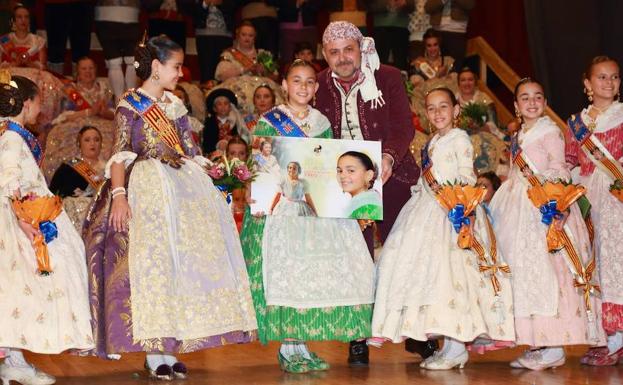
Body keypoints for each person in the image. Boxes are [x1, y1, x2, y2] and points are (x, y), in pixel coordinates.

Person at [82, 35, 257, 380]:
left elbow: (189, 151)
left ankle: (169, 345)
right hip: (145, 190)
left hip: (178, 189)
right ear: (157, 67)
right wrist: (118, 195)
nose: (181, 72)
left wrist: (216, 169)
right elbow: (120, 152)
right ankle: (153, 351)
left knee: (178, 267)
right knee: (153, 269)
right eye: (176, 66)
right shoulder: (129, 103)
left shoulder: (175, 104)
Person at [240, 59, 375, 373]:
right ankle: (289, 347)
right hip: (282, 212)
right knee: (286, 272)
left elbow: (328, 165)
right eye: (296, 81)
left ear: (316, 88)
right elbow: (260, 163)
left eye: (309, 82)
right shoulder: (269, 121)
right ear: (284, 85)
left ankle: (301, 344)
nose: (302, 87)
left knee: (307, 274)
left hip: (311, 210)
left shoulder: (322, 121)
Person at [315, 20, 436, 365]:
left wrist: (388, 157)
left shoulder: (387, 77)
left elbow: (402, 127)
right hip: (346, 185)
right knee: (355, 259)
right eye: (334, 53)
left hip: (392, 176)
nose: (342, 58)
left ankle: (415, 332)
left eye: (348, 50)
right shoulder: (320, 85)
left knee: (405, 253)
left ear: (360, 47)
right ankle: (357, 336)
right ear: (326, 55)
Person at [372, 87, 515, 370]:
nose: (437, 113)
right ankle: (450, 344)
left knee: (453, 276)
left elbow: (465, 176)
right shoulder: (432, 142)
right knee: (433, 276)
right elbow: (428, 180)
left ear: (456, 110)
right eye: (432, 108)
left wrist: (463, 211)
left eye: (443, 107)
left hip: (452, 212)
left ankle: (457, 346)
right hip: (427, 209)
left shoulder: (459, 139)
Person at [489, 78, 605, 370]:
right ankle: (537, 341)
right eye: (525, 98)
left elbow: (559, 168)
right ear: (515, 106)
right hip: (516, 207)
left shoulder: (550, 131)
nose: (531, 102)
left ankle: (554, 345)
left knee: (549, 272)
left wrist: (551, 200)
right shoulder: (518, 136)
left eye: (538, 97)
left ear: (544, 102)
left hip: (544, 206)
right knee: (523, 272)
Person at [0, 73, 93, 385]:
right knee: (25, 288)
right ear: (26, 104)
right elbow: (11, 181)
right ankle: (14, 361)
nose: (40, 110)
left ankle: (14, 359)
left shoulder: (15, 136)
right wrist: (26, 222)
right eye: (38, 103)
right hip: (20, 223)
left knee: (20, 291)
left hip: (26, 217)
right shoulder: (12, 139)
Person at [565, 56, 623, 366]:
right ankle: (604, 336)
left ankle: (618, 339)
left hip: (617, 198)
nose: (609, 83)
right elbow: (570, 162)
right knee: (593, 264)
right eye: (601, 77)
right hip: (587, 199)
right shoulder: (576, 123)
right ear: (588, 84)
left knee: (617, 263)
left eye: (614, 77)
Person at [48, 125, 105, 232]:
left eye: (96, 140)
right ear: (79, 143)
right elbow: (54, 193)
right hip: (72, 219)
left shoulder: (108, 168)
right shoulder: (68, 167)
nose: (92, 144)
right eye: (87, 140)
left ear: (101, 144)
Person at [94, 0, 141, 101]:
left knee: (123, 61)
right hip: (111, 17)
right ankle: (124, 101)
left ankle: (123, 100)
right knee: (123, 62)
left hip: (123, 17)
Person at [44, 0, 94, 74]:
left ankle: (81, 83)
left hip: (83, 5)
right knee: (55, 53)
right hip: (55, 4)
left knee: (81, 52)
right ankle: (55, 82)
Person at [192, 0, 237, 82]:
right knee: (206, 71)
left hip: (225, 36)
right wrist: (205, 3)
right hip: (204, 36)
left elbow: (235, 5)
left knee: (224, 69)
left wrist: (222, 3)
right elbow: (190, 8)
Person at [424, 0, 475, 70]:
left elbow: (470, 4)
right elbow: (428, 8)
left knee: (456, 67)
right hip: (437, 31)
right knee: (437, 67)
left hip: (457, 31)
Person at [369, 0, 414, 70]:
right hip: (380, 27)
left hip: (401, 26)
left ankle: (401, 79)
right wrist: (387, 3)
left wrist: (405, 3)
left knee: (401, 62)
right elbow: (370, 5)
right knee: (379, 62)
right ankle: (379, 80)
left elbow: (412, 6)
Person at [337, 151, 383, 219]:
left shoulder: (368, 206)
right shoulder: (358, 202)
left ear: (368, 175)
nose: (342, 176)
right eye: (340, 171)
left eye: (351, 170)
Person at [202, 88, 247, 155]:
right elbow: (207, 143)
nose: (223, 107)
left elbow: (242, 137)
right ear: (214, 108)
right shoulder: (209, 123)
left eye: (226, 103)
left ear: (230, 107)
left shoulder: (237, 122)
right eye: (219, 104)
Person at [0, 5, 46, 70]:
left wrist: (30, 64)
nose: (23, 20)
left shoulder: (38, 41)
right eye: (19, 17)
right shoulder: (4, 40)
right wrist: (15, 63)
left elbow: (43, 68)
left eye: (26, 17)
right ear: (13, 20)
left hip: (32, 77)